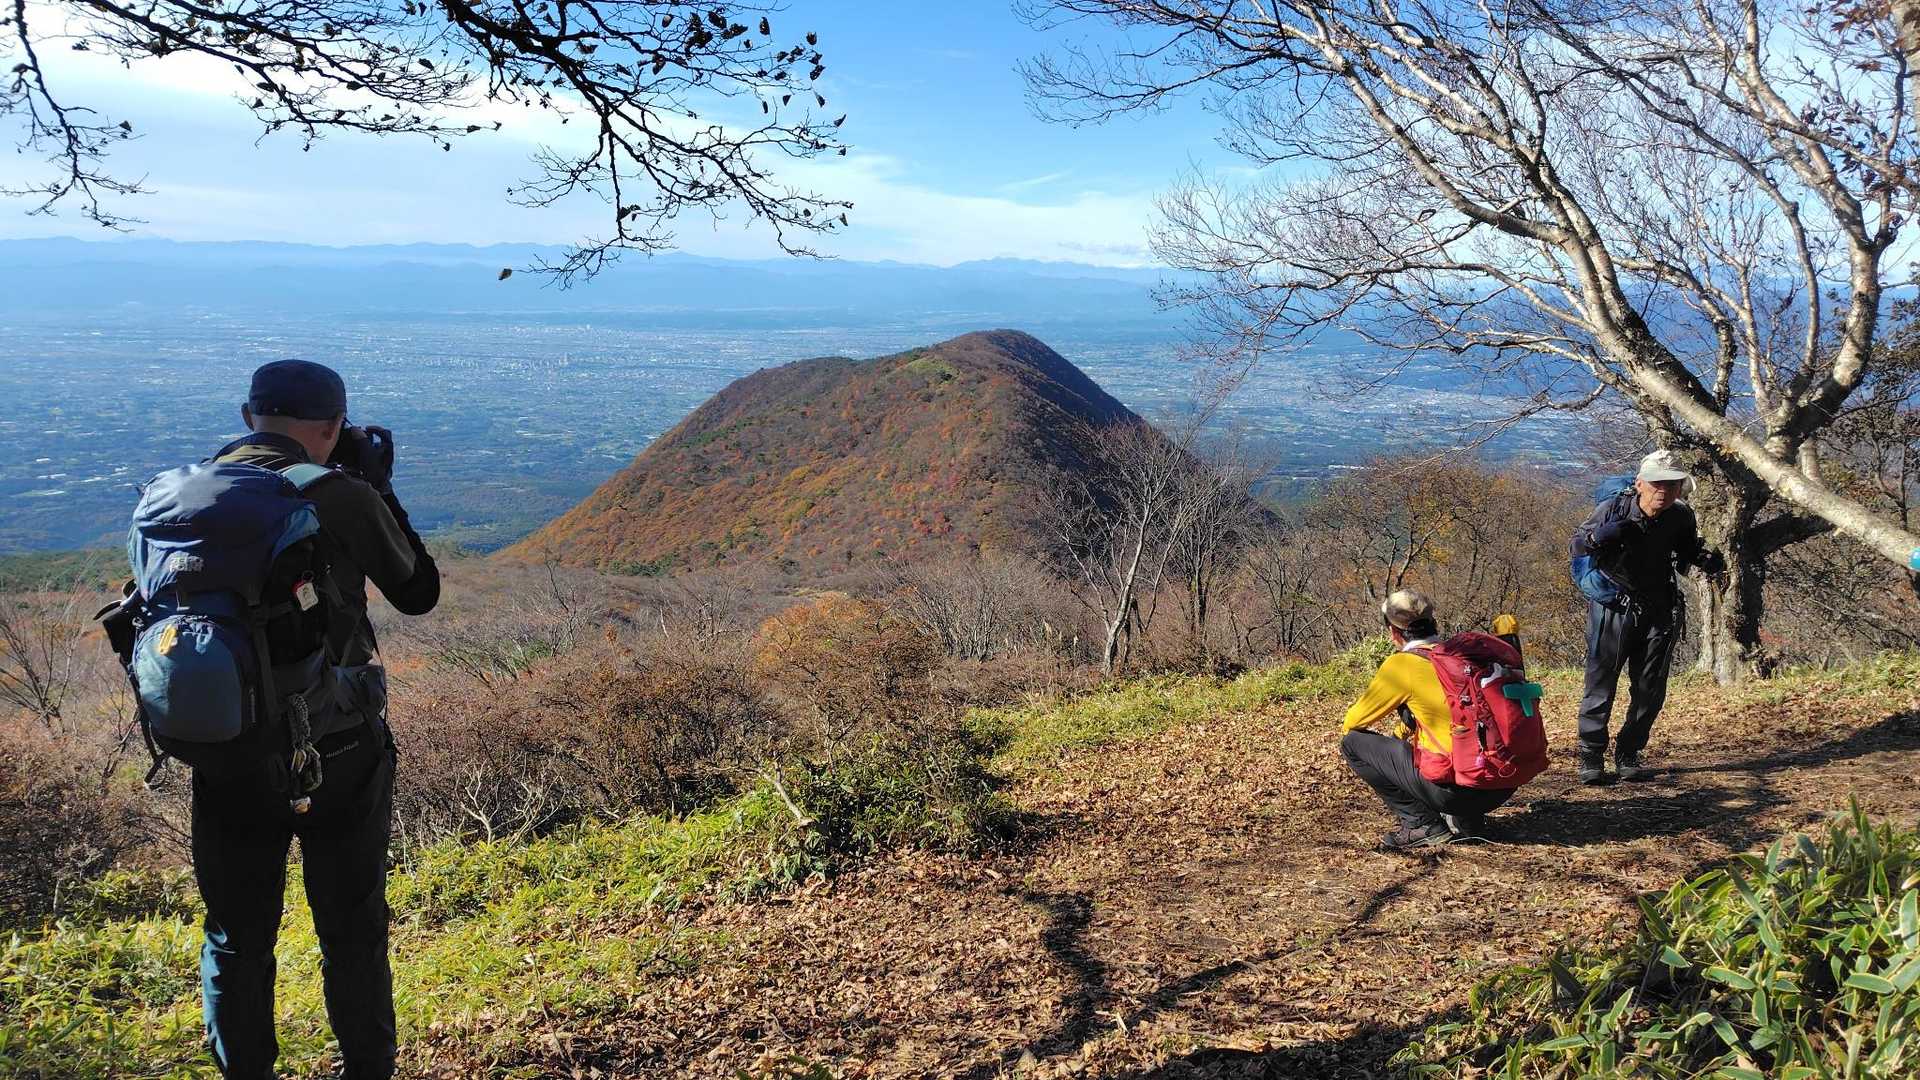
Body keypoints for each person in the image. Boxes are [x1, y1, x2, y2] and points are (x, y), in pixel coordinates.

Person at [193, 359, 440, 1079]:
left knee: (236, 935)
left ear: (248, 417)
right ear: (333, 427)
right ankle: (366, 1069)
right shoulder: (337, 494)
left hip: (226, 747)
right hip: (338, 744)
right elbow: (418, 591)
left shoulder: (187, 492)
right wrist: (378, 487)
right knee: (351, 927)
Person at [1569, 449, 1723, 785]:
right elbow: (1578, 546)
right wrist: (1601, 536)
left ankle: (1629, 752)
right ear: (1640, 483)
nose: (1663, 490)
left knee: (1650, 688)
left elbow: (1684, 554)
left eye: (1671, 484)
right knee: (1601, 682)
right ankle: (1591, 755)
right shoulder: (1614, 509)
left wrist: (1703, 559)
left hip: (1659, 607)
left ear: (1681, 487)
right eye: (1656, 483)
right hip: (1613, 606)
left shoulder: (1680, 516)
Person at [1339, 589, 1520, 851]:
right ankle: (1468, 818)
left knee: (1352, 743)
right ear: (1434, 623)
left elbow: (1353, 722)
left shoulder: (1402, 665)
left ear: (1393, 632)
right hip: (1505, 782)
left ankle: (1420, 824)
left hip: (1457, 793)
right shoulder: (1463, 656)